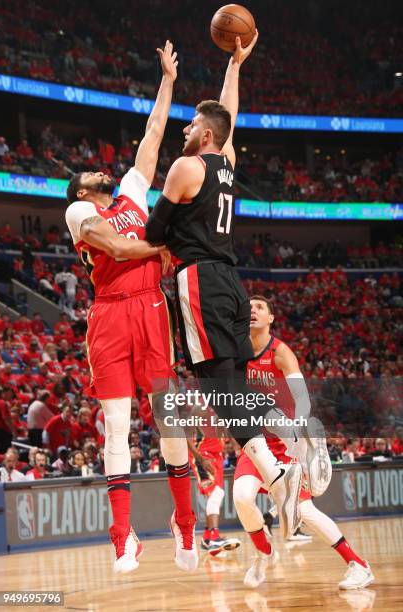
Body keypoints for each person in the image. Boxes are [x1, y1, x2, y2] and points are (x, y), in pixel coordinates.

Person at [146, 34, 304, 539]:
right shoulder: (226, 163)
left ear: (205, 137)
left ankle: (274, 470)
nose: (186, 128)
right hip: (231, 283)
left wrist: (162, 239)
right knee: (231, 381)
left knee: (218, 385)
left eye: (192, 124)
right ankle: (274, 461)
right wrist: (234, 66)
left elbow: (152, 232)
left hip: (199, 281)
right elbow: (228, 114)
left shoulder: (185, 166)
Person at [65, 42, 197, 574]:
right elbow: (118, 250)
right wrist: (162, 249)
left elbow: (152, 136)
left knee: (168, 421)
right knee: (116, 423)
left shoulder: (132, 192)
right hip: (111, 314)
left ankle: (185, 525)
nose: (97, 173)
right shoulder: (78, 211)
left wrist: (166, 81)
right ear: (79, 191)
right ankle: (122, 536)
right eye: (87, 174)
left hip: (149, 308)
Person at [232, 295, 374, 590]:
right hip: (256, 441)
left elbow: (302, 400)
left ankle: (359, 565)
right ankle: (263, 553)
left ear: (271, 318)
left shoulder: (280, 352)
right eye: (249, 308)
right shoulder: (238, 352)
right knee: (241, 497)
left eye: (260, 307)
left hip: (284, 441)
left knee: (306, 512)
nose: (253, 311)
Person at [188, 432, 240, 555]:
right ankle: (214, 538)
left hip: (217, 455)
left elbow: (226, 428)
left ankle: (207, 538)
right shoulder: (195, 413)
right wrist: (199, 458)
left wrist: (236, 447)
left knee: (217, 493)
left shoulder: (220, 414)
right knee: (215, 494)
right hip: (202, 455)